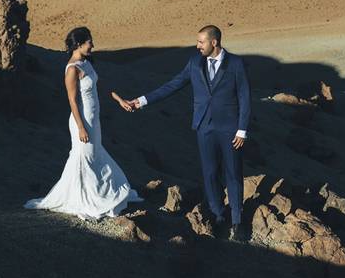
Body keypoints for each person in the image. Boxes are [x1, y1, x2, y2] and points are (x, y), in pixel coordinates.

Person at [122, 25, 251, 241]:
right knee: (210, 173)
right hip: (204, 127)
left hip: (230, 129)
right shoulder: (194, 62)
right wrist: (142, 101)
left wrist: (242, 129)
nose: (197, 45)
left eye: (201, 41)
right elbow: (172, 85)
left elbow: (245, 97)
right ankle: (219, 216)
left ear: (214, 42)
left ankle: (237, 221)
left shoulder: (236, 63)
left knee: (233, 173)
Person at [25, 27, 142, 220]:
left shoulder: (86, 63)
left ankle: (97, 193)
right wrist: (80, 127)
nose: (93, 45)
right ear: (79, 44)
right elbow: (72, 101)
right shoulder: (72, 69)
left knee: (95, 154)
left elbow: (100, 85)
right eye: (89, 42)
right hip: (82, 120)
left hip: (93, 119)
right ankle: (86, 198)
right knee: (84, 157)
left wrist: (120, 100)